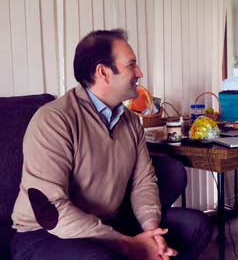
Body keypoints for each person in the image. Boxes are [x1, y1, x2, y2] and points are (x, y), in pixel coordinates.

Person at [10, 29, 212, 260]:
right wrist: (125, 244)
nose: (139, 72)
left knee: (196, 225)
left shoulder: (130, 121)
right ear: (103, 72)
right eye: (131, 65)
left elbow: (143, 181)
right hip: (47, 234)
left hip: (109, 222)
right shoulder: (54, 119)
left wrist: (150, 232)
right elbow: (51, 212)